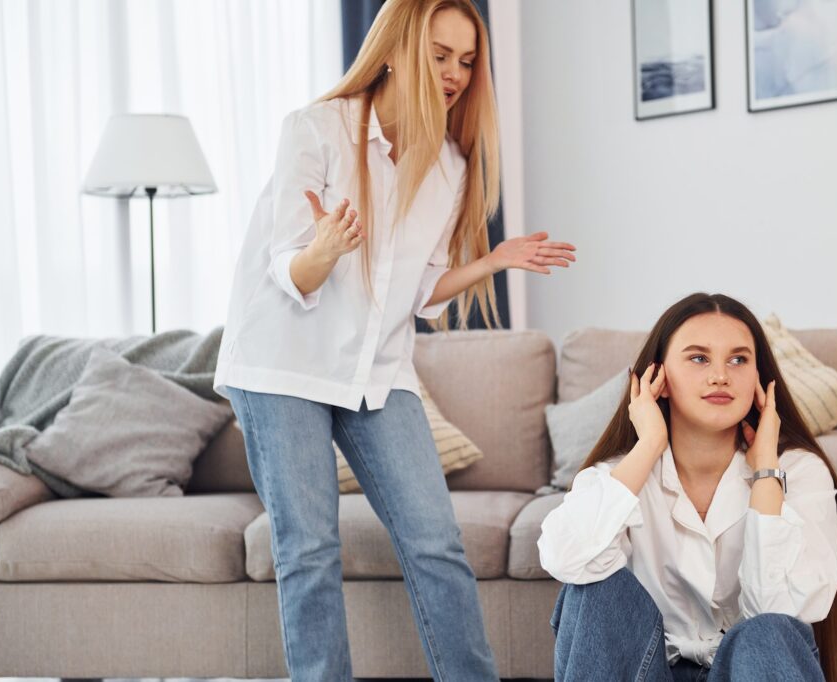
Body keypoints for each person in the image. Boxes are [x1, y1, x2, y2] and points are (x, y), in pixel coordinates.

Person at [212, 1, 576, 679]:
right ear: (396, 50)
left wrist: (493, 261)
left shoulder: (449, 165)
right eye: (440, 55)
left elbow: (419, 290)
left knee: (436, 543)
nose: (456, 74)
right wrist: (325, 249)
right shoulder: (314, 130)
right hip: (281, 366)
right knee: (309, 549)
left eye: (467, 61)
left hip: (377, 373)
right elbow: (289, 269)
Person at [537, 293, 837, 682]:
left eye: (738, 360)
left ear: (759, 378)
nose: (720, 375)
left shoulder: (800, 471)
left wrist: (766, 475)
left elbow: (779, 612)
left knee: (767, 632)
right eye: (699, 358)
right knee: (593, 585)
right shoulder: (621, 473)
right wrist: (649, 444)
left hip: (746, 670)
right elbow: (564, 560)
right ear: (660, 379)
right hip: (647, 670)